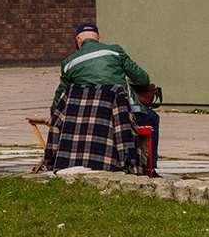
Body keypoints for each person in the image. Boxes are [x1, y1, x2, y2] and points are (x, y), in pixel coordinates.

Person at [50, 23, 160, 169]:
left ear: (78, 40)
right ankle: (149, 168)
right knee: (153, 118)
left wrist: (52, 116)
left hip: (86, 118)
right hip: (122, 116)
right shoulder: (115, 51)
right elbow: (143, 79)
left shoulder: (68, 63)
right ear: (99, 39)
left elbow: (60, 97)